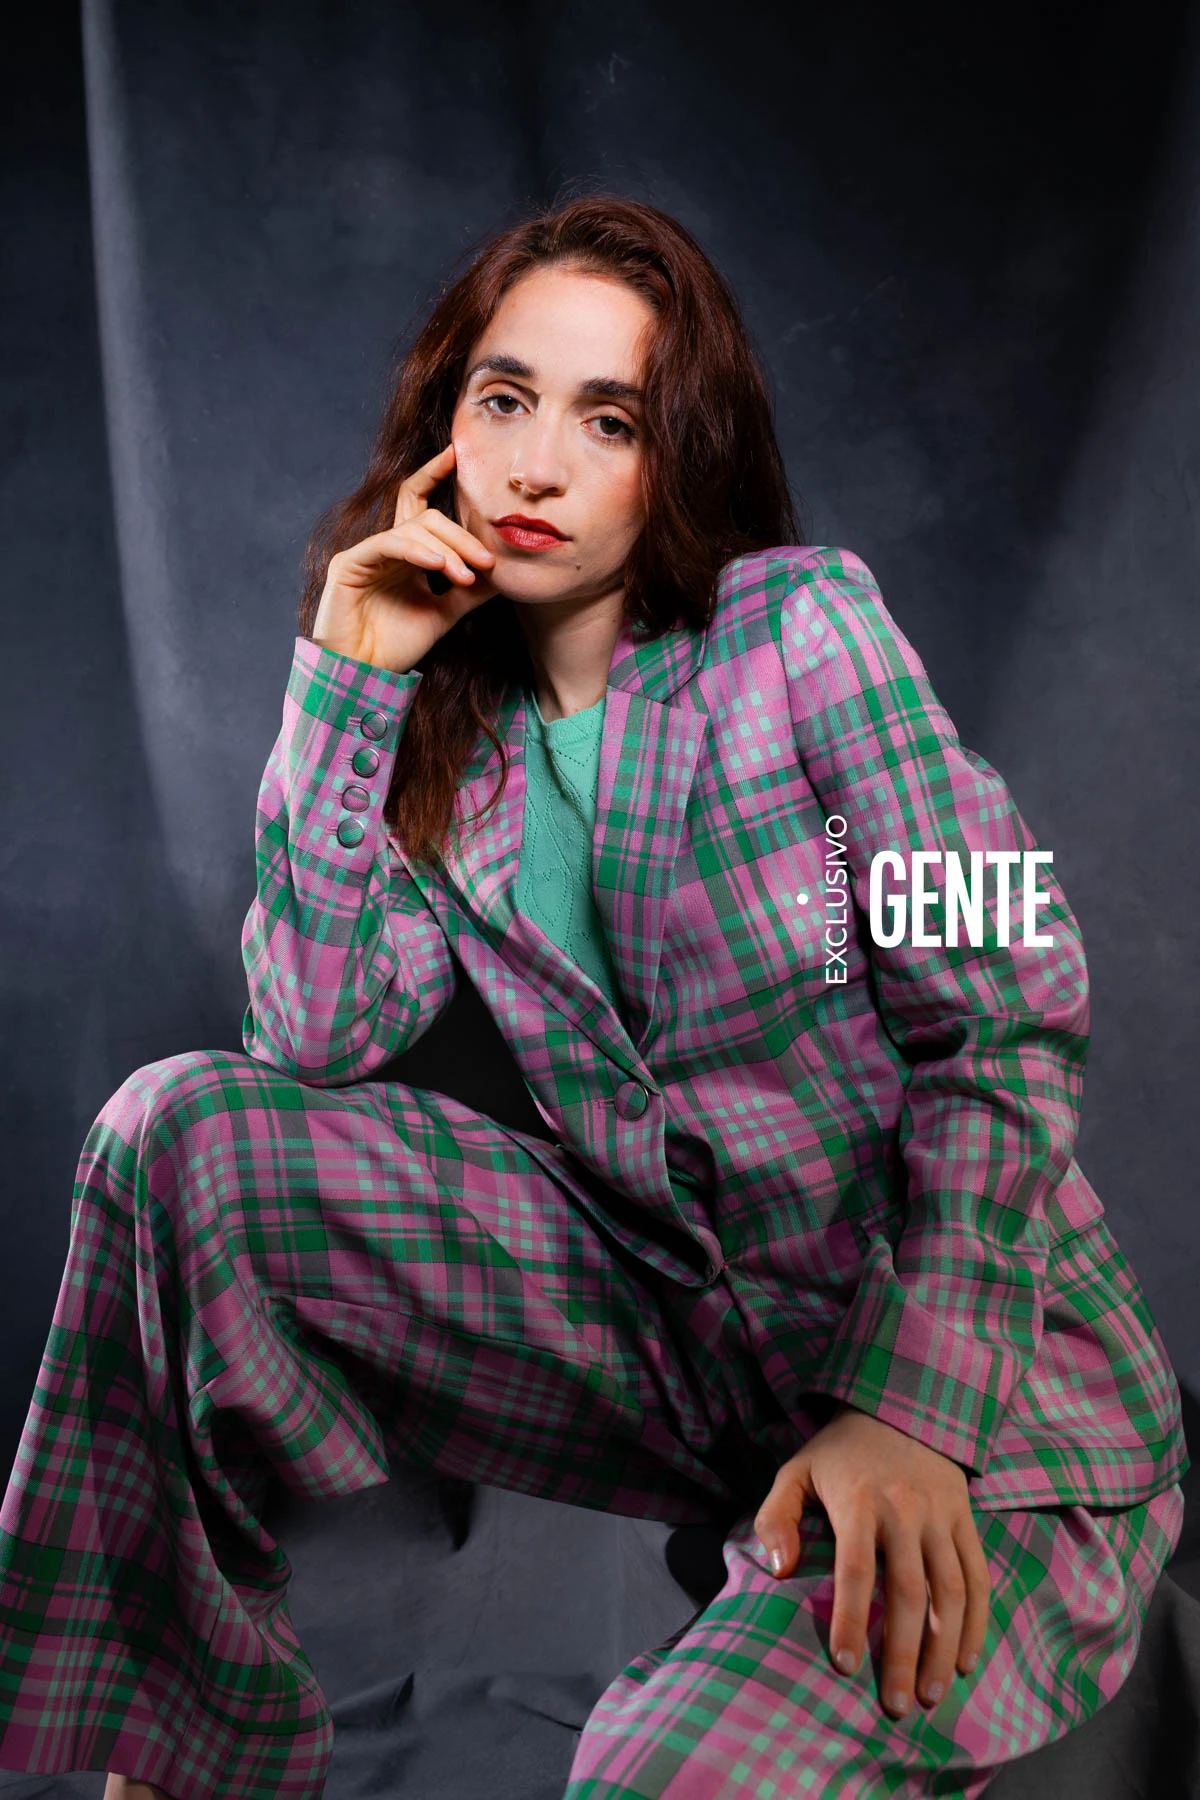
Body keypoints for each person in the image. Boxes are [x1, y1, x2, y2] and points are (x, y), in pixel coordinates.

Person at [0, 194, 1188, 1800]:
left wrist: (915, 1414)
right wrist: (351, 675)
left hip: (984, 1392)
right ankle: (178, 1759)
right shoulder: (458, 743)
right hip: (686, 1348)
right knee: (180, 1135)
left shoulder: (802, 633)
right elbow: (310, 1033)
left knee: (655, 1775)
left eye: (608, 420)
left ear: (675, 453)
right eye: (505, 400)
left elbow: (1010, 1001)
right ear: (448, 424)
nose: (538, 465)